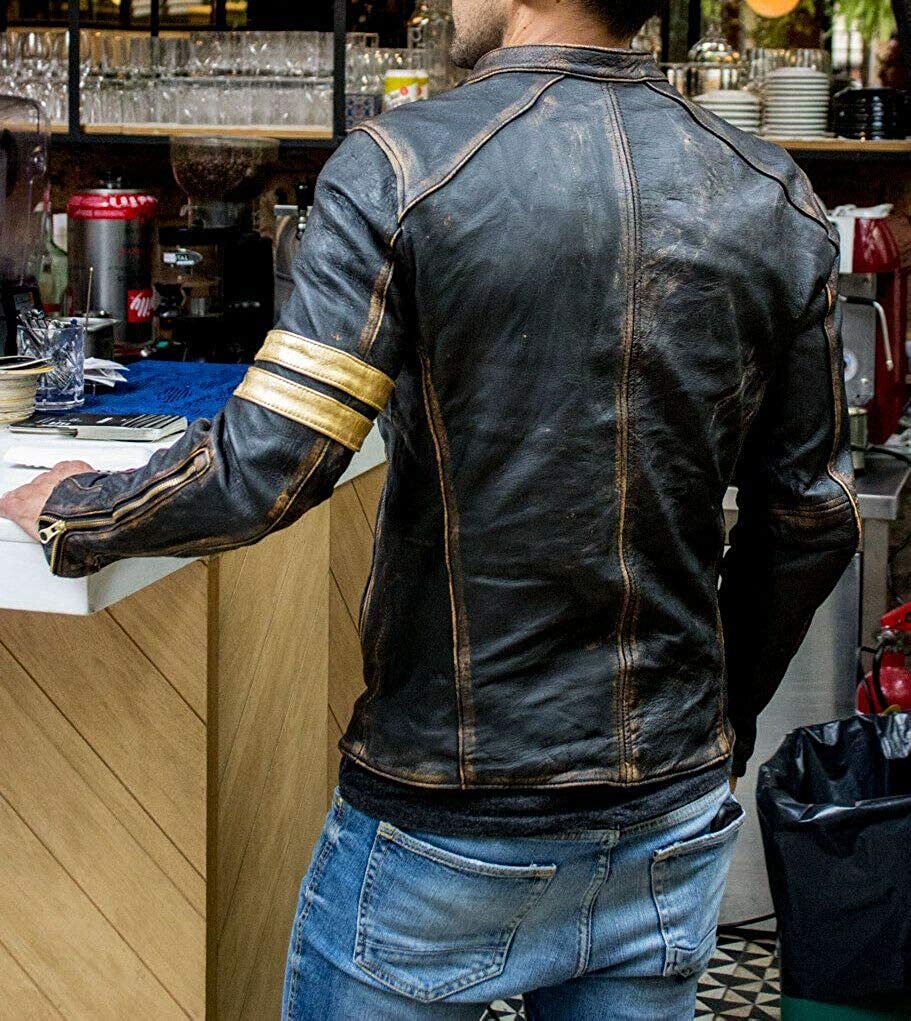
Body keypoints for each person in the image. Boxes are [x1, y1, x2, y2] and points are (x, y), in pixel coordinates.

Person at [0, 0, 860, 1015]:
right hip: (668, 814)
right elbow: (809, 519)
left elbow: (266, 467)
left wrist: (81, 507)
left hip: (449, 817)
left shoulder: (400, 167)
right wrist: (718, 725)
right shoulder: (773, 195)